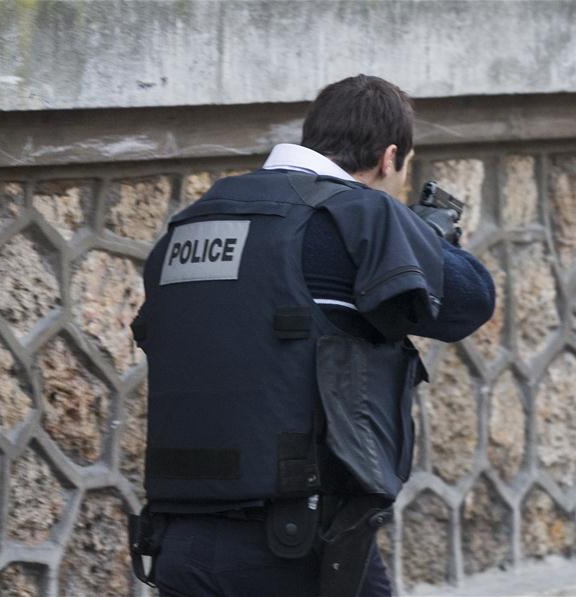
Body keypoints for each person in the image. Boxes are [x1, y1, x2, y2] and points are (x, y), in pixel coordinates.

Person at [128, 74, 495, 597]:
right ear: (389, 159)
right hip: (295, 546)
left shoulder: (190, 224)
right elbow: (470, 299)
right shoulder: (358, 216)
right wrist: (424, 236)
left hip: (176, 540)